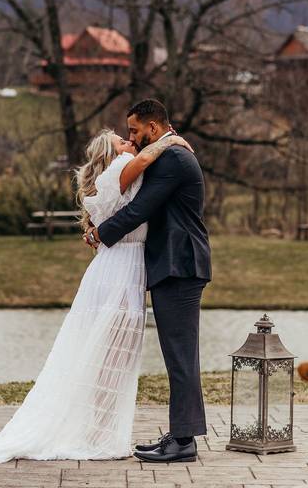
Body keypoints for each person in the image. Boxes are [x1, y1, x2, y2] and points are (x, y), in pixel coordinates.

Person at [0, 126, 191, 462]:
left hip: (122, 268)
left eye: (130, 137)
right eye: (122, 140)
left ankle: (102, 432)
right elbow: (146, 158)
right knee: (111, 356)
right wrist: (170, 140)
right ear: (112, 154)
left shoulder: (121, 173)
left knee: (111, 356)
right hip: (119, 271)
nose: (129, 141)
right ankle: (99, 435)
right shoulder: (121, 169)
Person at [86, 98, 212, 464]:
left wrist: (99, 234)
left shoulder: (172, 158)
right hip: (174, 264)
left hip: (181, 264)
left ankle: (184, 442)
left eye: (135, 131)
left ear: (153, 128)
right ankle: (180, 433)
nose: (132, 137)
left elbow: (141, 209)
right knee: (178, 354)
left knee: (181, 355)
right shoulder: (167, 152)